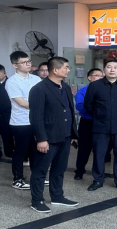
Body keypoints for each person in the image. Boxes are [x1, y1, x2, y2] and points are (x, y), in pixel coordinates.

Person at [28, 57, 79, 213]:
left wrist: (73, 133)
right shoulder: (39, 89)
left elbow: (69, 111)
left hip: (65, 135)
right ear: (55, 70)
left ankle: (57, 196)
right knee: (40, 170)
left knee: (59, 168)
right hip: (48, 137)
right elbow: (36, 116)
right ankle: (37, 200)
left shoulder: (66, 87)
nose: (68, 70)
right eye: (66, 67)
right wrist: (41, 139)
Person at [84, 58, 117, 192]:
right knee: (99, 154)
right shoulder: (94, 85)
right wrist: (99, 115)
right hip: (100, 125)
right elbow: (88, 104)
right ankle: (98, 180)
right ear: (104, 70)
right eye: (109, 67)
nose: (112, 70)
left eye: (115, 67)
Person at [5, 51, 41, 190]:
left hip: (36, 121)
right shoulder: (12, 82)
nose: (28, 64)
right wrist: (42, 106)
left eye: (29, 61)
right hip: (21, 122)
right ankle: (18, 179)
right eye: (24, 62)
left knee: (36, 151)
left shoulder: (36, 79)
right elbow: (22, 103)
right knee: (20, 152)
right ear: (15, 65)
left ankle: (37, 177)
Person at [73, 68, 104, 180]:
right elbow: (79, 106)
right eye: (97, 75)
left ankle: (99, 173)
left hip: (101, 123)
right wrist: (95, 110)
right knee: (84, 149)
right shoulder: (83, 91)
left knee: (100, 149)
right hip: (87, 122)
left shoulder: (105, 90)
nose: (100, 78)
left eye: (102, 76)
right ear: (89, 77)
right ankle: (79, 171)